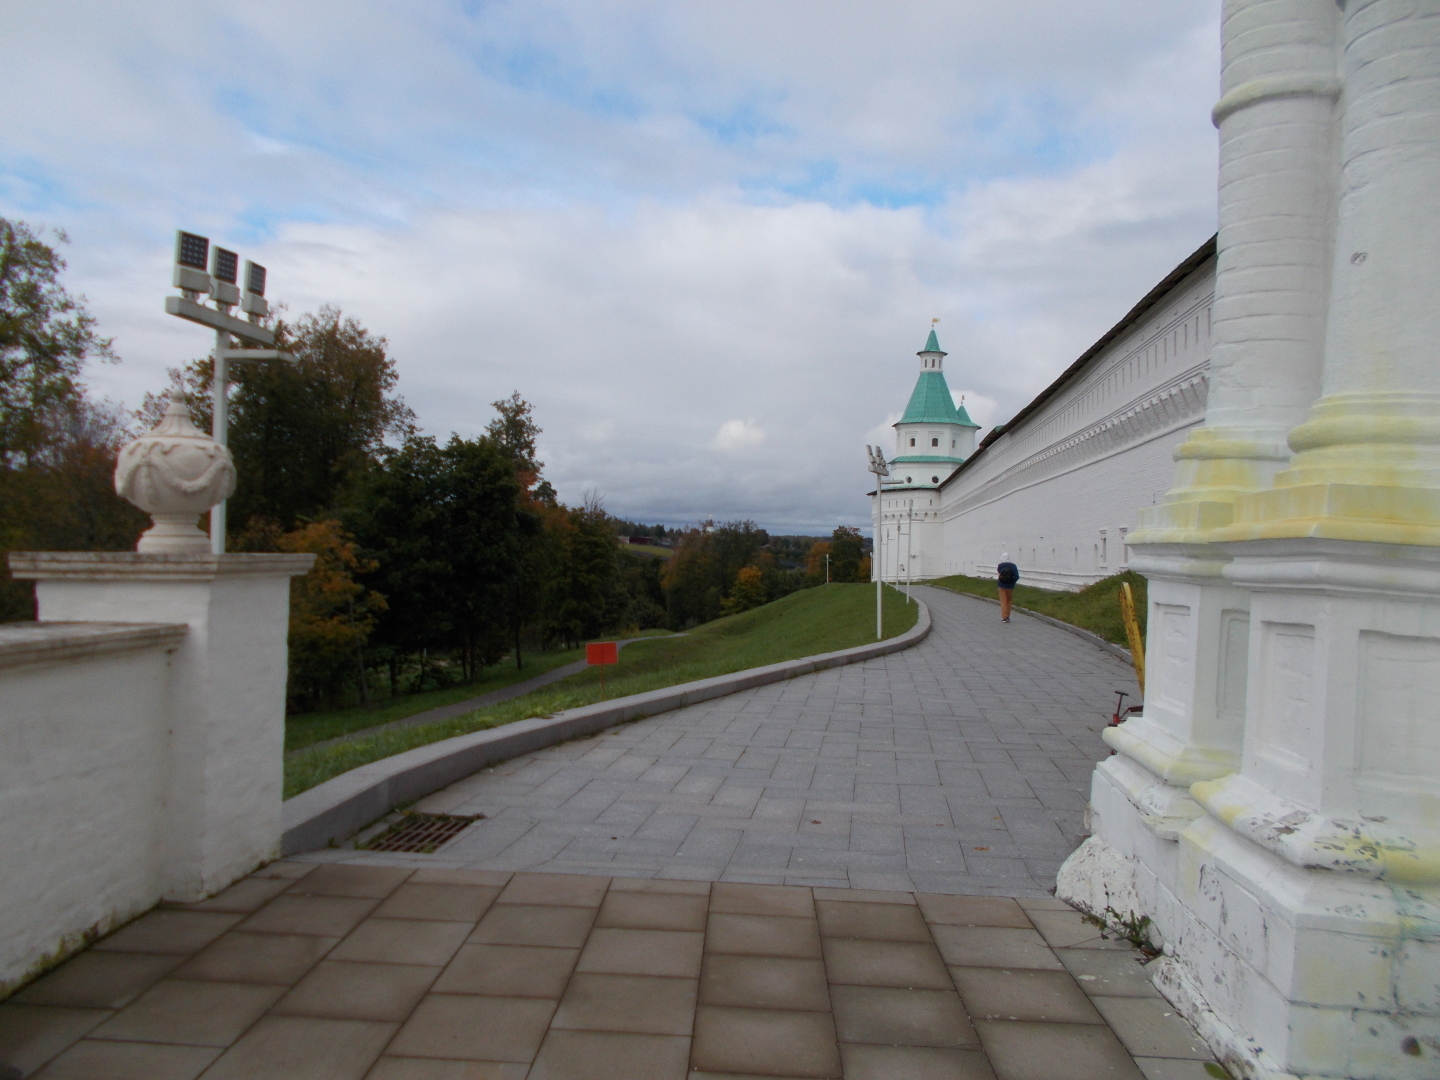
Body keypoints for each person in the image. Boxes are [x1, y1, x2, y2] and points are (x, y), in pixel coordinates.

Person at [997, 552, 1019, 622]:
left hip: (1001, 585)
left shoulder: (1000, 565)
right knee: (1009, 601)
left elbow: (999, 573)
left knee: (1003, 601)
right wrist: (1012, 582)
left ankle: (1004, 617)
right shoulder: (1013, 566)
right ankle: (1008, 617)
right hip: (1010, 586)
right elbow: (1017, 576)